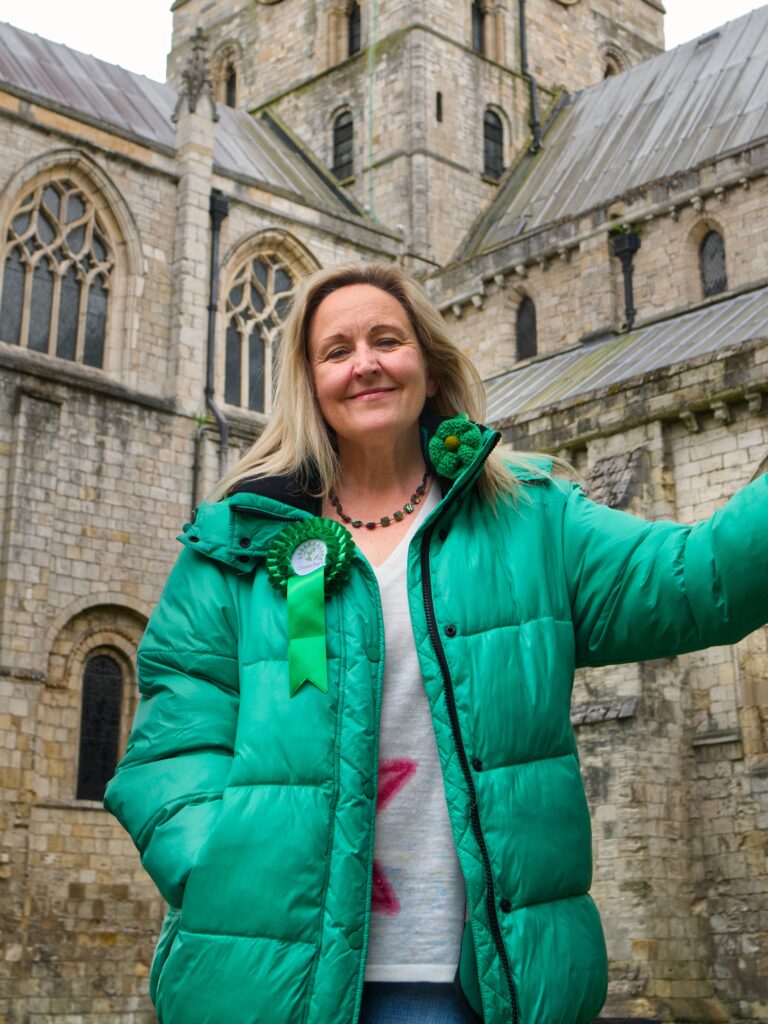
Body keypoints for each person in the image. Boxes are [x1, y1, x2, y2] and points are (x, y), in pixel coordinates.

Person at [104, 262, 768, 1024]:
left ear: (428, 362)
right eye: (337, 349)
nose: (366, 363)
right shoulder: (235, 546)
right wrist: (222, 868)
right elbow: (168, 749)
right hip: (270, 983)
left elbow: (701, 580)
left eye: (387, 339)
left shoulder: (531, 518)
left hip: (475, 987)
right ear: (308, 379)